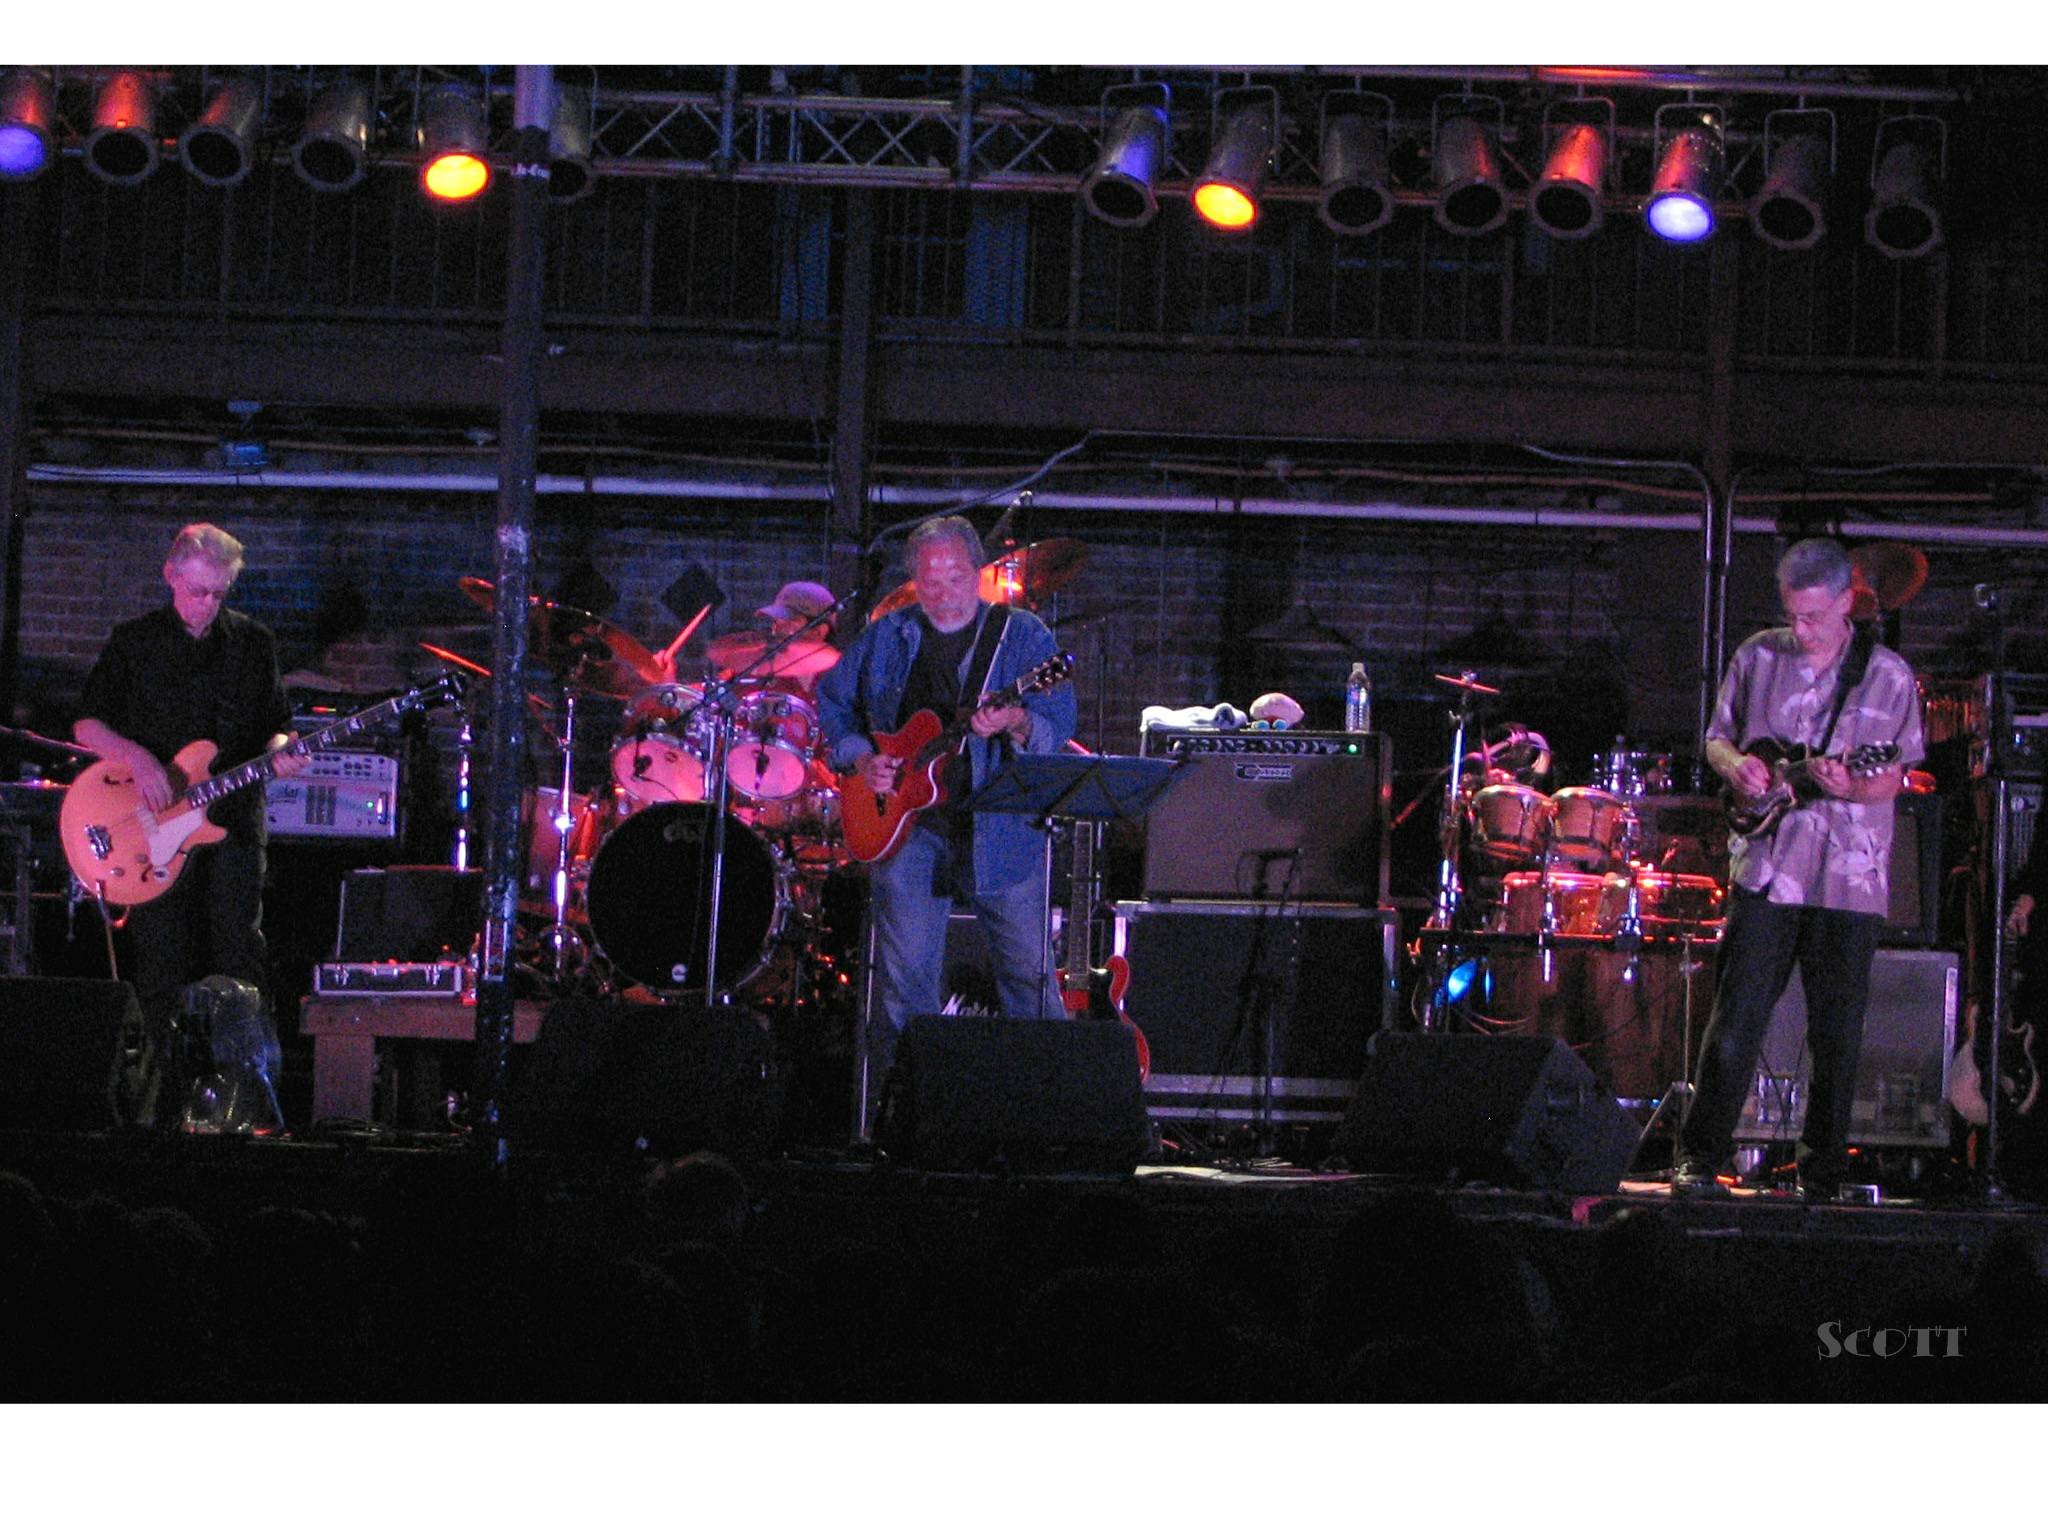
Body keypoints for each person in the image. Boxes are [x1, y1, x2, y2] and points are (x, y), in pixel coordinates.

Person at [1671, 538, 1925, 1199]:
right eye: (1793, 615)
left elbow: (1892, 777)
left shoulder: (1888, 675)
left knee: (1837, 1032)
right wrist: (1739, 768)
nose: (1801, 629)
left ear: (1846, 601)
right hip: (1768, 866)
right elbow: (1716, 739)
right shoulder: (1758, 656)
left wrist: (1849, 785)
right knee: (1738, 1016)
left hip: (1849, 879)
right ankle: (1698, 1158)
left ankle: (1824, 1172)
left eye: (1813, 616)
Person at [816, 515, 1076, 1108]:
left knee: (1030, 979)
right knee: (905, 986)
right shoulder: (887, 634)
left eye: (956, 578)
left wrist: (1015, 719)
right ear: (914, 581)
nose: (944, 593)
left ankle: (1050, 1115)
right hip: (908, 827)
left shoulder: (1023, 636)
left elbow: (1058, 724)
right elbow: (833, 703)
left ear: (978, 573)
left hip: (1003, 828)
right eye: (930, 582)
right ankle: (913, 1114)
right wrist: (862, 758)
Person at [74, 523, 307, 1054]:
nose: (207, 605)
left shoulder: (252, 643)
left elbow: (275, 726)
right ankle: (159, 1076)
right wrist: (139, 759)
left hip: (233, 818)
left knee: (239, 951)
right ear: (170, 575)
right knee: (161, 956)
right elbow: (87, 724)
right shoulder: (135, 642)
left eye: (219, 594)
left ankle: (243, 1076)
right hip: (153, 824)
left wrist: (283, 752)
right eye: (198, 591)